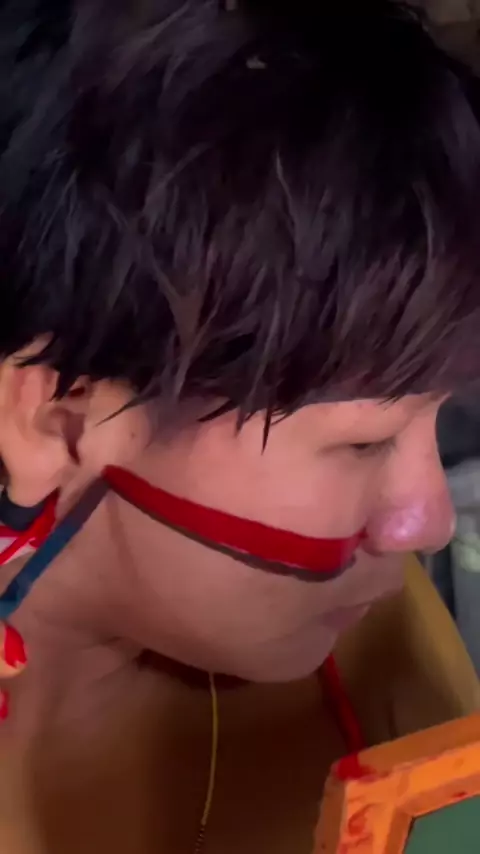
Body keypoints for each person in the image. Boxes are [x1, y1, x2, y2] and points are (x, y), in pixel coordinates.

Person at [1, 0, 480, 851]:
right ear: (57, 423)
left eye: (433, 422)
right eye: (363, 442)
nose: (426, 523)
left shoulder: (365, 631)